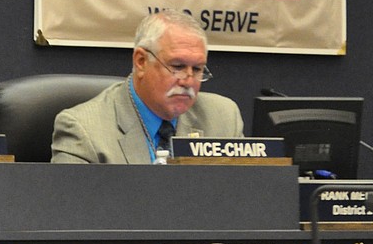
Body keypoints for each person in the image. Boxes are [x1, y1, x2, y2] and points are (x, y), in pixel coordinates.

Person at [50, 10, 242, 164]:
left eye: (198, 69)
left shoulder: (223, 119)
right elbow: (71, 208)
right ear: (141, 61)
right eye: (177, 67)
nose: (188, 81)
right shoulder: (84, 131)